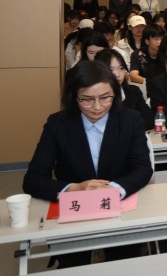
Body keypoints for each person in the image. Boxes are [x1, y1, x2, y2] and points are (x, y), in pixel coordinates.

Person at [23, 61, 152, 268]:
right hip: (74, 214)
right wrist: (73, 188)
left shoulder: (131, 120)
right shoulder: (58, 124)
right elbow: (33, 179)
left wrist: (114, 189)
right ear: (73, 97)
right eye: (87, 100)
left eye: (105, 97)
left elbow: (143, 168)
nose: (97, 107)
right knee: (74, 265)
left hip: (120, 211)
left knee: (123, 264)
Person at [95, 49, 153, 130]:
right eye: (111, 70)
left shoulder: (133, 91)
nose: (117, 74)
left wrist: (128, 128)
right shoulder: (95, 98)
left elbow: (150, 119)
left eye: (121, 68)